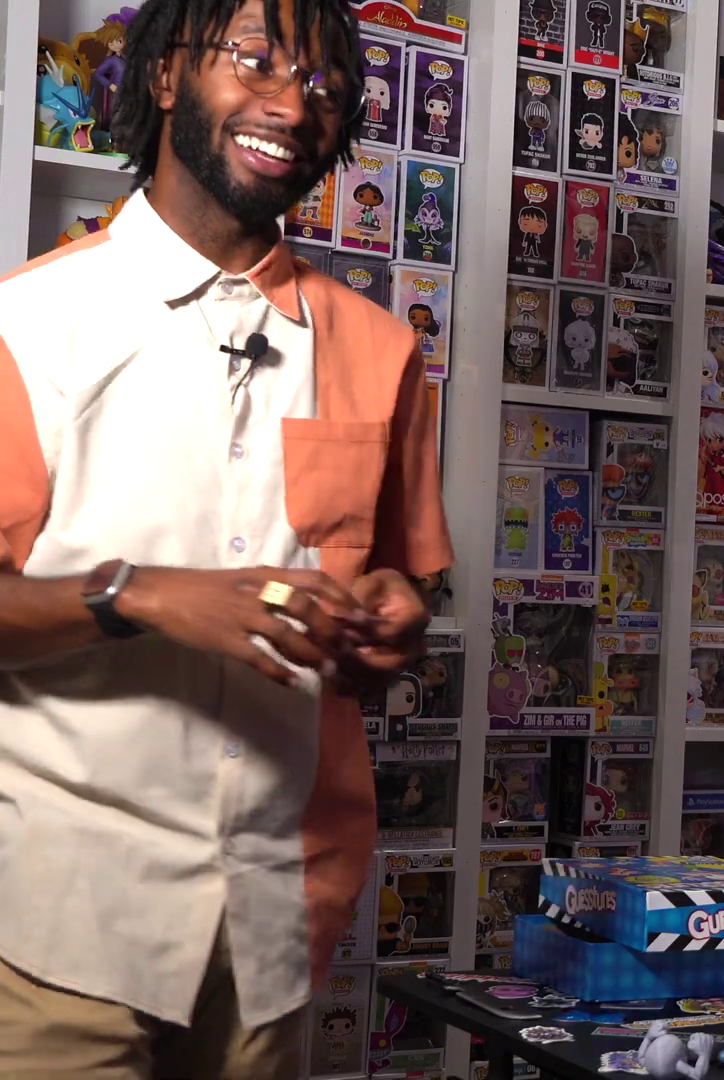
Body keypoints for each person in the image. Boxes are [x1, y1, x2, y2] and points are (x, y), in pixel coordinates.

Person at [0, 1, 451, 1075]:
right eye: (257, 60)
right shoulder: (29, 325)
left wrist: (392, 624)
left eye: (326, 85)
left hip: (276, 924)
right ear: (165, 77)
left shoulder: (382, 351)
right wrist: (141, 595)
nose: (294, 104)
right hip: (60, 921)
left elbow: (401, 593)